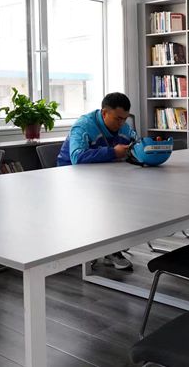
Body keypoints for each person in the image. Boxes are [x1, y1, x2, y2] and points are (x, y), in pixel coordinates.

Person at [57, 92, 137, 270]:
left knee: (127, 197)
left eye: (124, 119)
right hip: (71, 179)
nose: (121, 123)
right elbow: (77, 157)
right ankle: (109, 249)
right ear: (104, 113)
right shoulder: (83, 126)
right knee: (112, 203)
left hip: (104, 176)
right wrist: (113, 152)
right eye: (117, 119)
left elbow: (135, 144)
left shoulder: (124, 127)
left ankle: (110, 248)